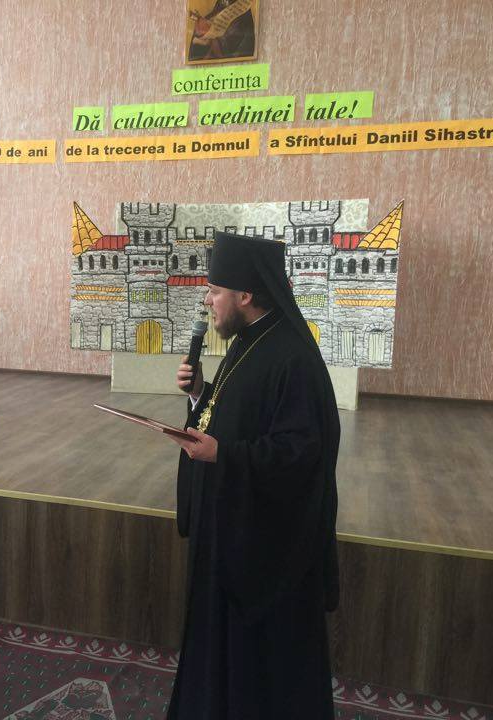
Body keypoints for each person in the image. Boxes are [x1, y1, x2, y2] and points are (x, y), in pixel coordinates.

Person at [167, 231, 340, 719]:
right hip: (231, 533)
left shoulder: (291, 357)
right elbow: (233, 416)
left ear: (245, 295)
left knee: (260, 671)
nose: (208, 301)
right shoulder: (248, 342)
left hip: (265, 554)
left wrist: (224, 455)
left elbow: (301, 453)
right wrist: (199, 396)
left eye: (215, 291)